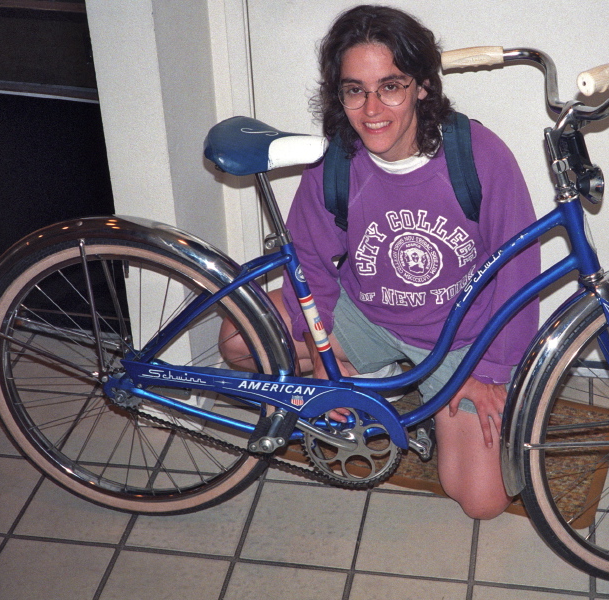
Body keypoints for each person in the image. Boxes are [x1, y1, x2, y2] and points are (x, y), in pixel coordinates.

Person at [222, 4, 540, 520]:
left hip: (458, 338)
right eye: (355, 90)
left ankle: (427, 398)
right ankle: (376, 375)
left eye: (390, 86)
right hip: (365, 315)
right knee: (239, 339)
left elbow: (519, 270)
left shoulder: (478, 155)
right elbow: (312, 264)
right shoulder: (337, 160)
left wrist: (490, 373)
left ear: (422, 87)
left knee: (481, 501)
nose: (371, 109)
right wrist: (323, 356)